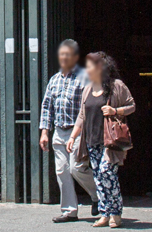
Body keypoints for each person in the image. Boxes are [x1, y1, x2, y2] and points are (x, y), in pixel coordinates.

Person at [70, 51, 135, 228]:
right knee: (98, 177)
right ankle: (105, 213)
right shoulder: (88, 88)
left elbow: (131, 105)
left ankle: (115, 213)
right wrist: (73, 136)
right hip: (92, 140)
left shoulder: (117, 86)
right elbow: (82, 116)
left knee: (107, 173)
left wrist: (115, 111)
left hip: (109, 141)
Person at [39, 39, 98, 223]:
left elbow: (88, 106)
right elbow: (47, 107)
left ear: (75, 57)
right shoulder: (54, 80)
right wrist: (44, 132)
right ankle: (69, 211)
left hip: (77, 131)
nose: (64, 58)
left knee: (76, 168)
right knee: (62, 171)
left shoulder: (83, 78)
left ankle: (98, 195)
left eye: (68, 54)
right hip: (59, 131)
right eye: (62, 54)